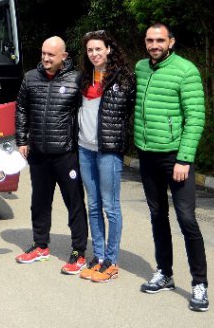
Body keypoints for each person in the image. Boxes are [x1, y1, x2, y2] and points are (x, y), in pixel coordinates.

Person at [135, 23, 209, 312]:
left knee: (187, 219)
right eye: (150, 40)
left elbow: (195, 117)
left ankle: (199, 283)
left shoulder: (186, 71)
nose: (154, 45)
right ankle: (164, 273)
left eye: (160, 40)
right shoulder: (141, 68)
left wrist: (184, 159)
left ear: (171, 42)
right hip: (147, 155)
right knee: (157, 215)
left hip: (175, 158)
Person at [15, 36, 88, 274]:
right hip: (38, 153)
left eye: (51, 55)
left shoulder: (77, 79)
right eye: (43, 53)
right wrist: (22, 140)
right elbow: (22, 108)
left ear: (63, 56)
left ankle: (78, 252)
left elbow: (88, 112)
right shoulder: (30, 78)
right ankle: (40, 246)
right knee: (39, 203)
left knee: (74, 204)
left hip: (66, 154)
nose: (45, 58)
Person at [76, 30, 135, 283]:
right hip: (84, 148)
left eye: (98, 49)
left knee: (110, 207)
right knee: (93, 205)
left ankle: (111, 260)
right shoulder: (83, 78)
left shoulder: (123, 78)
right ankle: (99, 256)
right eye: (90, 50)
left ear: (109, 49)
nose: (94, 54)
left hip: (108, 149)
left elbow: (128, 110)